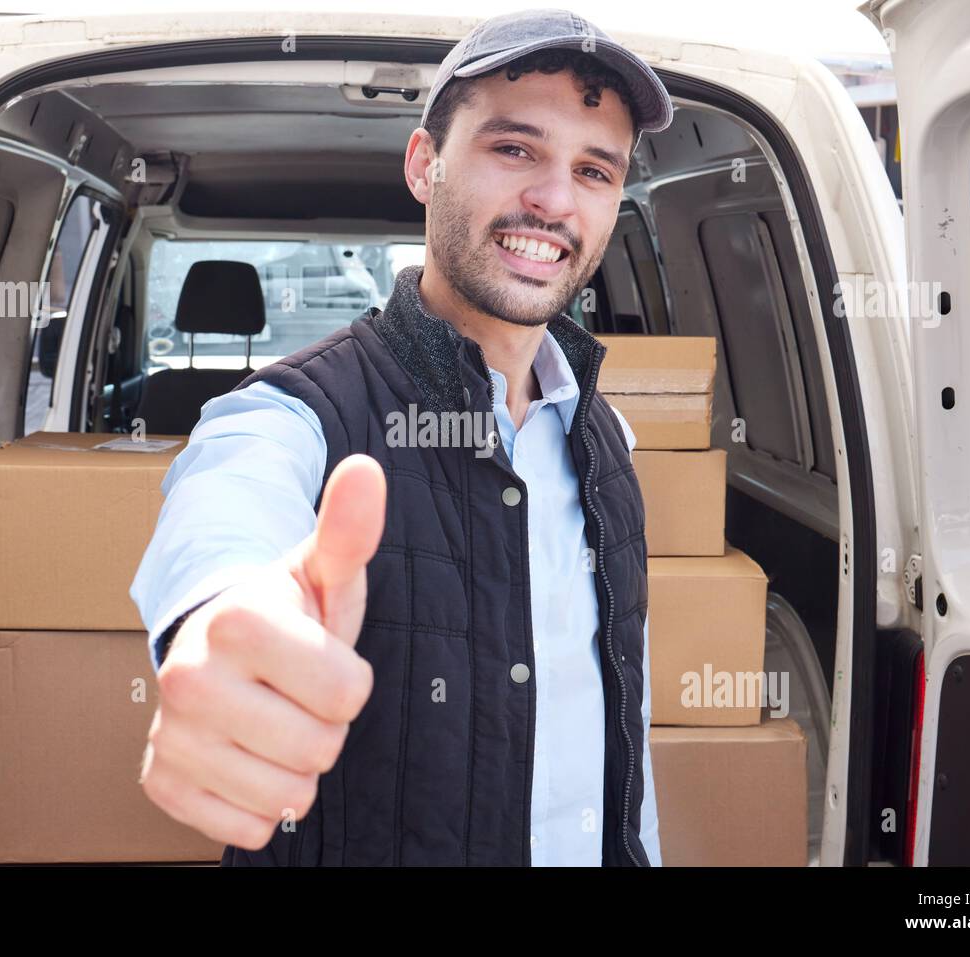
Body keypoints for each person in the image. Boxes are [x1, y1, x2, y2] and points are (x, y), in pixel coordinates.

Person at [131, 8, 675, 866]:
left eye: (595, 169)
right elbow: (228, 508)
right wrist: (224, 622)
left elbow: (619, 718)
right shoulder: (296, 412)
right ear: (426, 164)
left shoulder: (609, 438)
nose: (555, 198)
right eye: (515, 149)